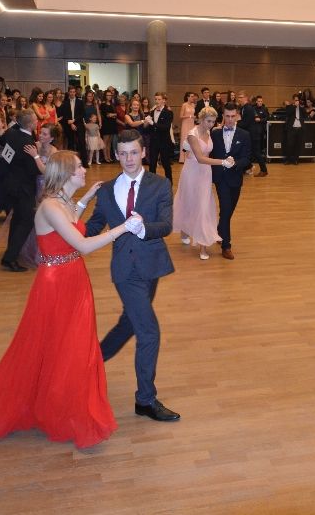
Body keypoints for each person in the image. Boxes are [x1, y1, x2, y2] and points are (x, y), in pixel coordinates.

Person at [0, 152, 141, 449]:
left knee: (71, 345)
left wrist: (86, 199)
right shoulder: (49, 206)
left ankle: (64, 404)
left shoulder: (63, 202)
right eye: (79, 167)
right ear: (67, 173)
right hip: (56, 284)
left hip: (73, 278)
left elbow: (72, 222)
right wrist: (123, 228)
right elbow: (82, 244)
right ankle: (61, 408)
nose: (84, 170)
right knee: (59, 345)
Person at [85, 130, 178, 422]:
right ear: (115, 154)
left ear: (143, 152)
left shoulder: (160, 184)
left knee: (129, 323)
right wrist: (64, 220)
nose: (129, 159)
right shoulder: (106, 189)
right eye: (123, 153)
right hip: (125, 271)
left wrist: (144, 228)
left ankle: (88, 364)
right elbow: (92, 227)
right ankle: (145, 400)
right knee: (148, 332)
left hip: (151, 266)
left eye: (134, 152)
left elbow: (166, 225)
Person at [173, 107, 230, 260]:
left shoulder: (209, 132)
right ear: (201, 119)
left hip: (205, 173)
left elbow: (208, 152)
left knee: (204, 206)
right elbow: (200, 158)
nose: (211, 124)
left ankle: (203, 246)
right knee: (189, 202)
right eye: (208, 121)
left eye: (213, 122)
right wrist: (223, 162)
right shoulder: (193, 134)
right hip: (192, 171)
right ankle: (185, 230)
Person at [209, 103, 251, 260]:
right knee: (226, 209)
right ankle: (226, 246)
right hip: (220, 178)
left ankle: (220, 230)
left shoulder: (244, 135)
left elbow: (247, 158)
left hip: (235, 178)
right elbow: (208, 153)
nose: (230, 119)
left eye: (233, 116)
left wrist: (236, 163)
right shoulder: (215, 134)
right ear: (223, 116)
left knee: (228, 210)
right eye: (227, 116)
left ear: (237, 116)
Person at [0, 110, 40, 272]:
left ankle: (11, 254)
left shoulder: (11, 133)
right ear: (30, 124)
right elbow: (33, 170)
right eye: (35, 120)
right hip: (23, 188)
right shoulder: (28, 142)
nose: (37, 121)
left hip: (10, 183)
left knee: (17, 219)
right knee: (26, 221)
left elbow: (2, 141)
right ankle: (9, 258)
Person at [147, 92, 173, 181]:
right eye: (156, 99)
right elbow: (150, 128)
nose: (157, 101)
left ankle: (169, 182)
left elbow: (166, 127)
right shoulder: (152, 112)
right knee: (152, 163)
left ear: (163, 100)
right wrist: (146, 123)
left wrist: (153, 123)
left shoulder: (168, 112)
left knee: (166, 163)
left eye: (159, 99)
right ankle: (151, 182)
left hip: (164, 141)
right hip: (154, 141)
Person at [283, 95, 304, 165]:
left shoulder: (301, 108)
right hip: (292, 129)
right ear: (293, 100)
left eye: (297, 100)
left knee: (298, 145)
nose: (297, 101)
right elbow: (288, 113)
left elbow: (305, 114)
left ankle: (296, 160)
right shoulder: (289, 107)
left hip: (300, 128)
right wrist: (295, 106)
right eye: (295, 100)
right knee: (290, 144)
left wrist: (301, 107)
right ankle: (288, 159)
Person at [178, 93, 196, 164]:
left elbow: (194, 115)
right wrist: (190, 116)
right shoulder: (184, 105)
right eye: (191, 96)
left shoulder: (193, 105)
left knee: (191, 139)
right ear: (187, 97)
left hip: (191, 124)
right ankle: (183, 158)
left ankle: (190, 157)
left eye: (193, 96)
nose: (193, 98)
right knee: (184, 140)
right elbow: (181, 116)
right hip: (185, 124)